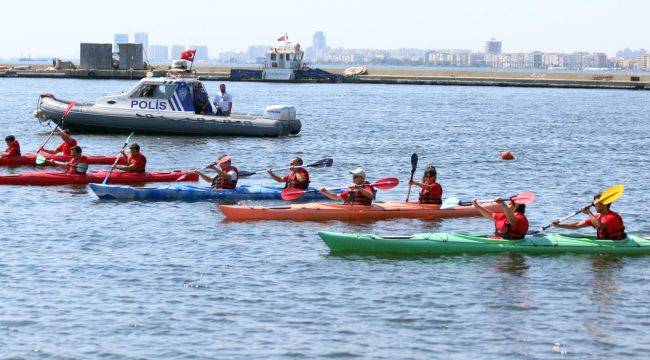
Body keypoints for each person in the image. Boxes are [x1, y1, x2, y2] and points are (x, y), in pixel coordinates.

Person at [550, 194, 627, 240]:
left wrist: (589, 213)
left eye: (596, 203)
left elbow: (599, 226)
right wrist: (559, 225)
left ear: (605, 204)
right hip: (605, 241)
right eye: (594, 203)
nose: (594, 205)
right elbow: (577, 225)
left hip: (616, 243)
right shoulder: (597, 217)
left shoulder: (612, 217)